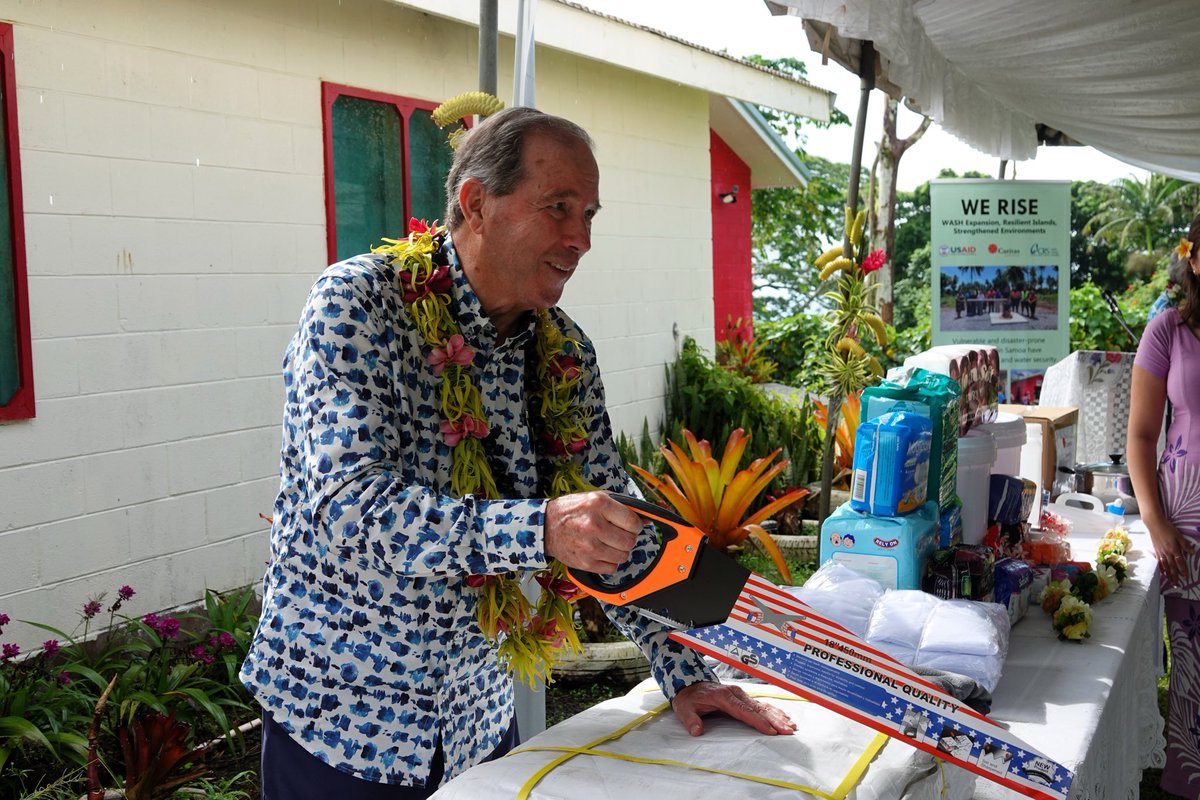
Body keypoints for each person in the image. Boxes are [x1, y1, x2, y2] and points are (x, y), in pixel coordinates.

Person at [239, 106, 794, 799]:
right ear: (476, 203)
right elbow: (348, 509)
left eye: (589, 215)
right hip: (340, 726)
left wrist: (688, 674)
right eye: (558, 208)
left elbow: (611, 530)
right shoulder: (357, 306)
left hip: (477, 725)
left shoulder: (564, 351)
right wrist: (541, 530)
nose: (579, 239)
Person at [1127, 213, 1200, 799]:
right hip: (1187, 518)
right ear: (1194, 258)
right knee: (1192, 665)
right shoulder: (1167, 331)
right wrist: (1155, 521)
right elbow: (1141, 437)